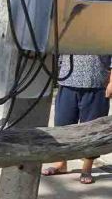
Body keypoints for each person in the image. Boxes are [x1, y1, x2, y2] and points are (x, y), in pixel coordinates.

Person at [42, 54, 112, 184]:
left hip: (96, 83)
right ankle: (61, 163)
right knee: (62, 125)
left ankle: (87, 168)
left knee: (92, 130)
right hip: (67, 81)